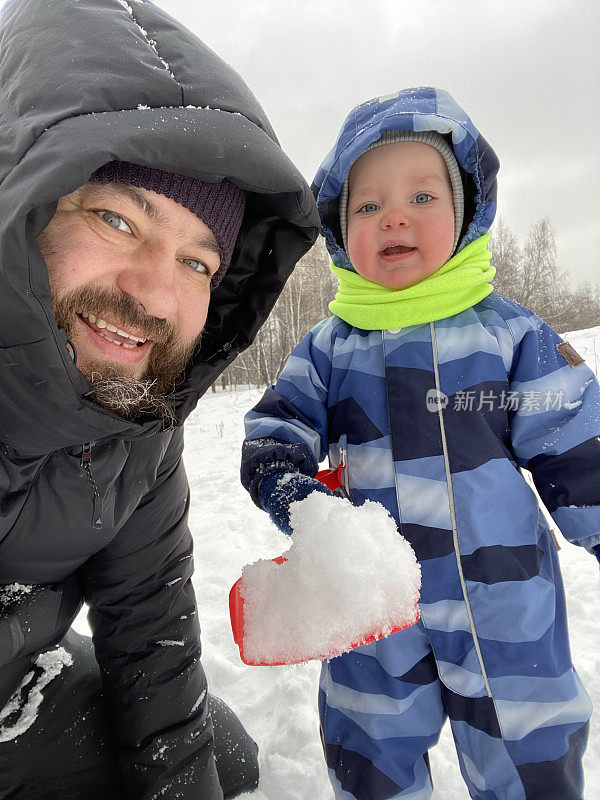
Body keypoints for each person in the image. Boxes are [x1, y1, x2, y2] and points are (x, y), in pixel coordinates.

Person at [240, 86, 600, 799]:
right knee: (371, 756)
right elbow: (274, 433)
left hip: (506, 613)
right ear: (343, 232)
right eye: (367, 206)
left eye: (422, 197)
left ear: (466, 211)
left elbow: (580, 452)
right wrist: (299, 496)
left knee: (529, 758)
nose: (393, 215)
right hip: (373, 607)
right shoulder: (330, 348)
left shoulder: (510, 336)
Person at [0, 0, 319, 798]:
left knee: (215, 757)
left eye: (198, 263)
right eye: (116, 219)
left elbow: (150, 629)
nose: (153, 293)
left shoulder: (136, 426)